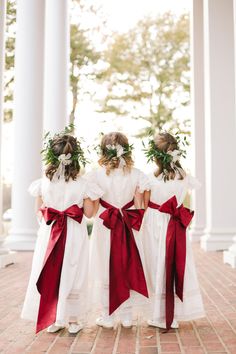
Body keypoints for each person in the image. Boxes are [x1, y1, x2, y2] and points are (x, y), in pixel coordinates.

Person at [21, 130, 103, 334]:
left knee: (51, 270)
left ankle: (55, 319)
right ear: (76, 158)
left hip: (50, 233)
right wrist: (97, 197)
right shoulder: (84, 184)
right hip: (74, 233)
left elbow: (39, 212)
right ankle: (73, 320)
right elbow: (90, 213)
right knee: (74, 271)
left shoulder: (43, 183)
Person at [86, 132, 150, 328]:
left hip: (105, 224)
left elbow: (92, 210)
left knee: (105, 266)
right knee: (128, 265)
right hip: (129, 224)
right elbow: (142, 206)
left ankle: (107, 315)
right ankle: (127, 316)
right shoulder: (138, 174)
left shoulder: (95, 175)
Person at [142, 132, 205, 330]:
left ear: (155, 155)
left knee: (157, 264)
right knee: (175, 264)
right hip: (176, 224)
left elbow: (144, 205)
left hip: (155, 223)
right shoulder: (184, 176)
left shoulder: (150, 179)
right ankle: (174, 313)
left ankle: (160, 315)